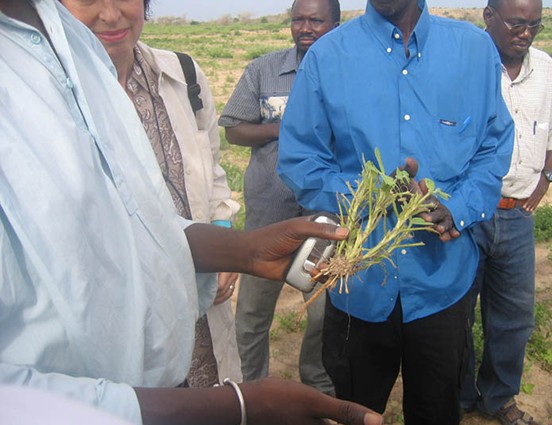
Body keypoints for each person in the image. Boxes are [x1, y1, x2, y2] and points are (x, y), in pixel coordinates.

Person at [0, 1, 384, 425]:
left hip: (173, 358)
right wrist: (237, 407)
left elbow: (130, 219)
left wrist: (241, 249)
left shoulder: (75, 48)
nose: (110, 15)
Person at [277, 0, 515, 423]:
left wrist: (456, 208)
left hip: (443, 283)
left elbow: (492, 148)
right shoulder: (328, 56)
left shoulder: (473, 51)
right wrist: (372, 194)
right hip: (360, 284)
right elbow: (300, 160)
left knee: (437, 409)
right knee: (356, 409)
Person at [60, 0, 242, 386]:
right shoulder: (45, 99)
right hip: (119, 334)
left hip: (202, 306)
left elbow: (212, 173)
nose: (110, 15)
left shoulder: (184, 75)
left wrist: (223, 231)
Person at [459, 0, 552, 423]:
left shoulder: (547, 72)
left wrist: (546, 177)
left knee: (513, 318)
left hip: (516, 215)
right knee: (456, 309)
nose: (525, 33)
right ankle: (458, 396)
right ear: (489, 17)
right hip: (468, 214)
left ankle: (499, 398)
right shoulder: (466, 66)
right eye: (517, 23)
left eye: (534, 25)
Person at [218, 0, 340, 393]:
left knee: (324, 312)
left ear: (335, 24)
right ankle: (249, 389)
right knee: (253, 313)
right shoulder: (263, 69)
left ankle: (316, 380)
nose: (305, 28)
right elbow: (233, 129)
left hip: (325, 214)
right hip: (269, 210)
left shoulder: (348, 74)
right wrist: (284, 130)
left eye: (316, 20)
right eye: (298, 20)